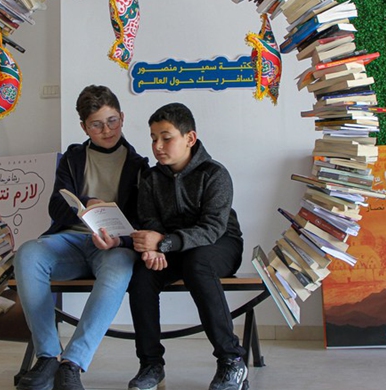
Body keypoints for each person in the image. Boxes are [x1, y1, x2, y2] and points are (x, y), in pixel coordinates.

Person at [13, 85, 149, 390]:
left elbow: (143, 219)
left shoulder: (139, 166)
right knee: (27, 253)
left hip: (113, 247)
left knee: (119, 266)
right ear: (84, 127)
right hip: (71, 242)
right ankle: (48, 356)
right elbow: (56, 206)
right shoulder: (73, 157)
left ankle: (72, 362)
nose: (107, 130)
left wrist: (119, 240)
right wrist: (85, 205)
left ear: (122, 117)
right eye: (96, 125)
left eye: (112, 120)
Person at [127, 102, 248, 390]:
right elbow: (149, 219)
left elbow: (212, 228)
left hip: (220, 246)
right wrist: (154, 248)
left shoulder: (215, 174)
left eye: (166, 137)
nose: (158, 145)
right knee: (141, 276)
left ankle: (231, 360)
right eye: (154, 138)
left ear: (189, 139)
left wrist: (165, 243)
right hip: (171, 249)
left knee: (198, 264)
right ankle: (150, 364)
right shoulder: (152, 179)